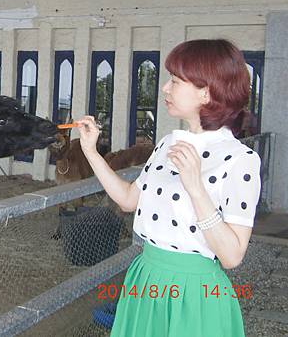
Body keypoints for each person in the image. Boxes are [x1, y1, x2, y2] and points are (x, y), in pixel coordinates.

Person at [77, 39, 260, 337]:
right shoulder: (167, 144)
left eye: (175, 81)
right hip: (145, 277)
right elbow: (127, 200)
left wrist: (196, 188)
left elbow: (232, 256)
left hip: (195, 293)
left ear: (207, 91)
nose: (165, 88)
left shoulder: (241, 160)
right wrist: (91, 152)